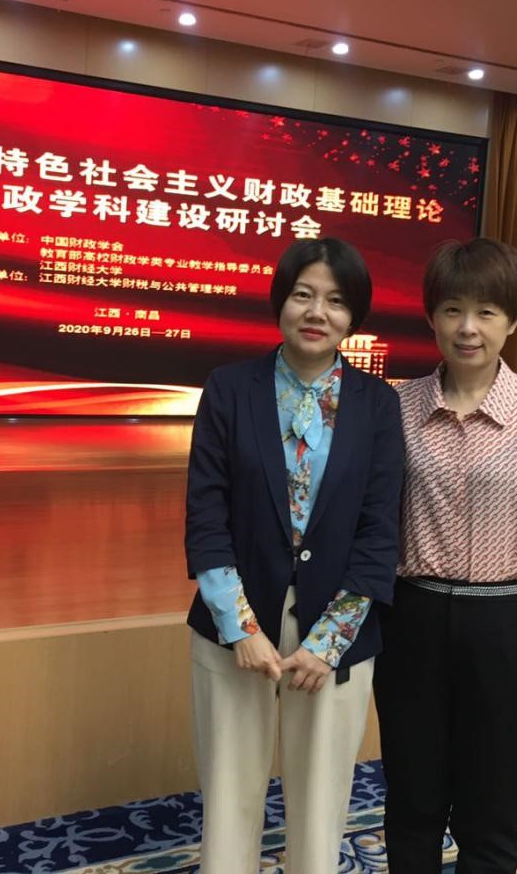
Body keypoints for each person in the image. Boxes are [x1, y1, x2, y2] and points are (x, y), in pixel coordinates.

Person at [374, 236, 517, 873]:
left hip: (508, 629)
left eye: (487, 312)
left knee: (492, 814)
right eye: (452, 309)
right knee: (412, 805)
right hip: (413, 624)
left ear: (513, 321)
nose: (467, 328)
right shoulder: (396, 406)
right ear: (431, 317)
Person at [184, 237, 403, 874]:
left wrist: (328, 642)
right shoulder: (229, 388)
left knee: (320, 804)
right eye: (303, 294)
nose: (317, 312)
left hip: (335, 635)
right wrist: (241, 628)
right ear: (281, 301)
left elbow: (379, 531)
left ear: (353, 316)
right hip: (234, 628)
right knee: (229, 794)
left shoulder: (377, 403)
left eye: (335, 301)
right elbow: (206, 516)